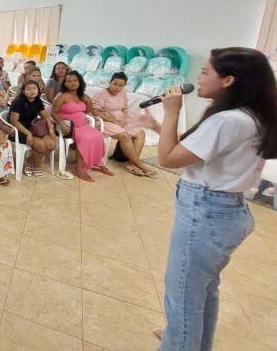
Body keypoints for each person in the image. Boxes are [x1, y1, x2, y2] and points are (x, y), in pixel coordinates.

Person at [152, 47, 277, 350]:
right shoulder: (251, 116)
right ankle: (191, 340)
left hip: (206, 213)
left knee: (181, 297)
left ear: (229, 80)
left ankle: (181, 340)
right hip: (226, 211)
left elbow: (169, 158)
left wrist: (171, 112)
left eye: (206, 71)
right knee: (203, 292)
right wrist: (156, 125)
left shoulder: (229, 121)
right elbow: (192, 153)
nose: (198, 76)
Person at [91, 72, 156, 178]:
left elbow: (125, 107)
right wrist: (114, 121)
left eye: (121, 85)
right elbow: (95, 111)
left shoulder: (123, 93)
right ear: (110, 82)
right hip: (104, 120)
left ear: (124, 86)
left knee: (140, 133)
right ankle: (139, 164)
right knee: (125, 136)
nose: (117, 87)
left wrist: (125, 117)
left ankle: (131, 164)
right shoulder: (102, 93)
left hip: (120, 118)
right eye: (115, 84)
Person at [51, 71, 111, 182]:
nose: (72, 83)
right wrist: (62, 123)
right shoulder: (62, 96)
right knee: (85, 138)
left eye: (75, 80)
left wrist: (88, 101)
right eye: (69, 81)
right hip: (68, 126)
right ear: (65, 84)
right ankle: (78, 168)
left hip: (82, 125)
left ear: (80, 82)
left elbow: (88, 111)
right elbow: (53, 112)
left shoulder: (82, 96)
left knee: (98, 136)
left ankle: (96, 163)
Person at [10, 80, 57, 177]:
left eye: (34, 88)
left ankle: (30, 160)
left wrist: (51, 129)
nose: (32, 91)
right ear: (23, 91)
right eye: (28, 89)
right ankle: (35, 165)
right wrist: (28, 134)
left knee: (52, 144)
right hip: (20, 129)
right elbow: (15, 121)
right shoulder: (18, 102)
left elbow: (46, 116)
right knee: (41, 145)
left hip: (34, 127)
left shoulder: (37, 100)